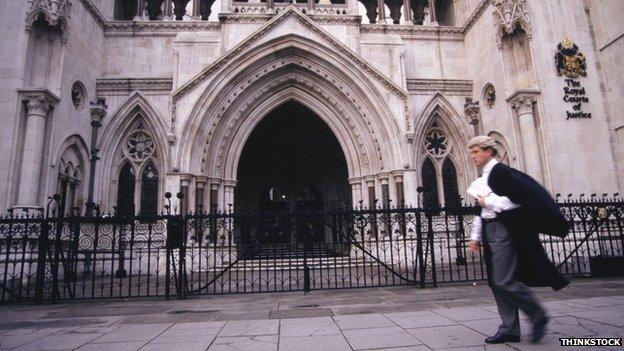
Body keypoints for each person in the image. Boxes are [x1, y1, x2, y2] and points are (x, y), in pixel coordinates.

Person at [467, 135, 569, 344]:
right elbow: (481, 209)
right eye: (471, 152)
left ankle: (536, 313)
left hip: (503, 229)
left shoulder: (500, 171)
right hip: (490, 229)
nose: (472, 156)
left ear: (488, 151)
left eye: (476, 151)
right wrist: (476, 236)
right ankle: (509, 328)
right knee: (496, 283)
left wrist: (489, 201)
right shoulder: (485, 175)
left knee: (503, 280)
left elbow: (516, 200)